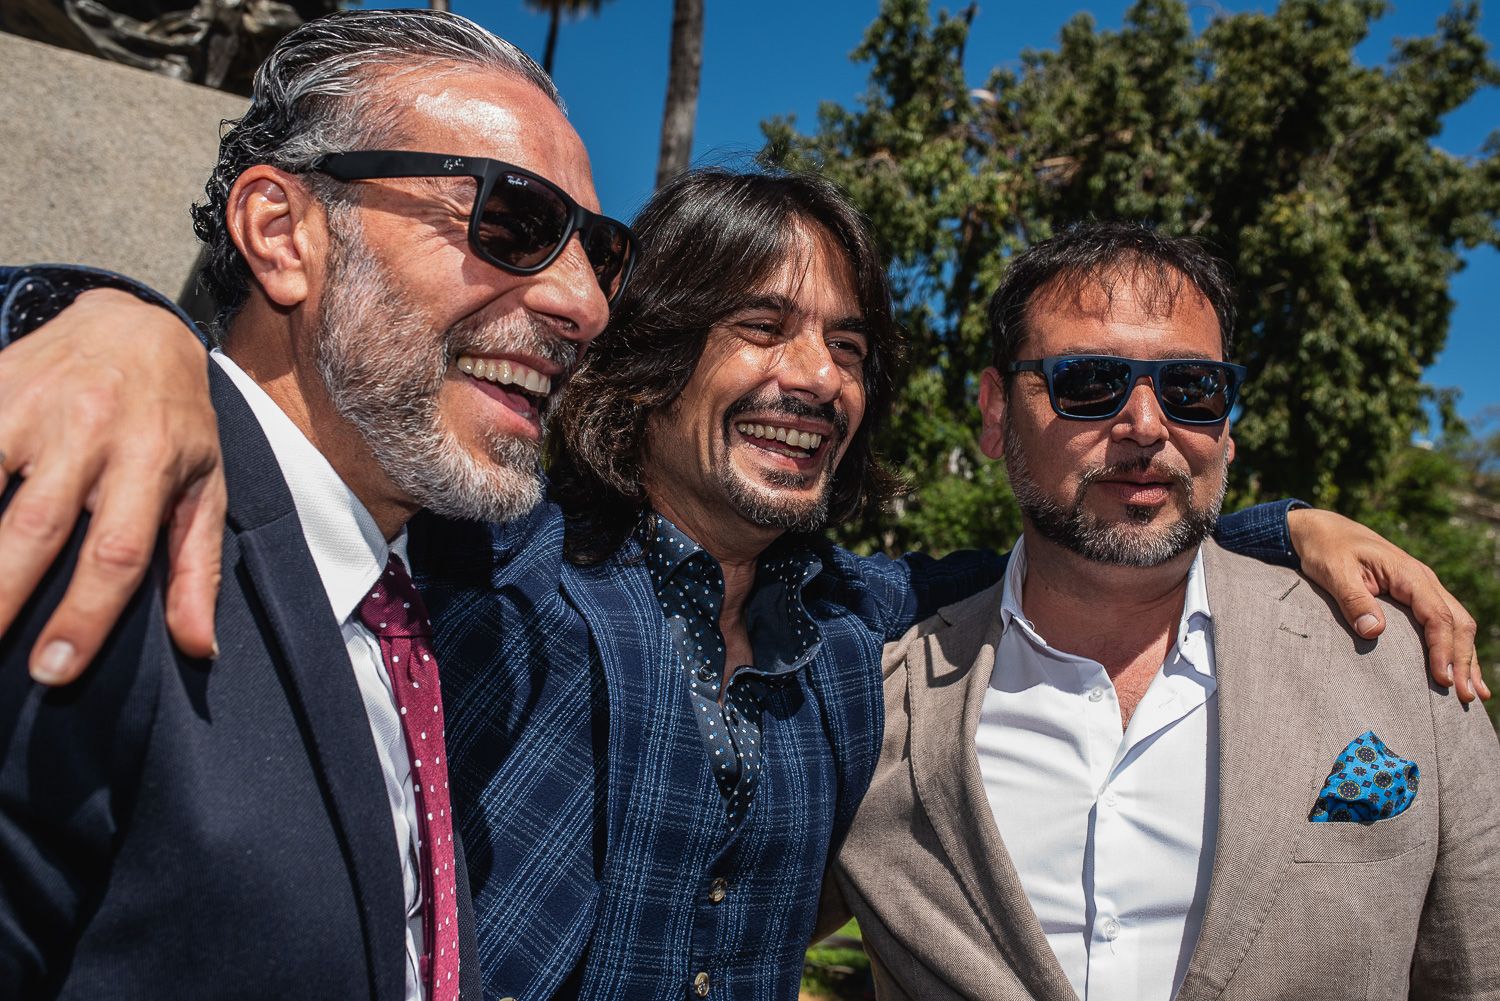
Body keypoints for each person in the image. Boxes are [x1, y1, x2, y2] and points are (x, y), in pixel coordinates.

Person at [0, 56, 1484, 1001]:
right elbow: (324, 436)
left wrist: (1278, 526)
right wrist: (103, 318)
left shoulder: (853, 625)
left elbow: (1076, 543)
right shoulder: (493, 566)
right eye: (761, 327)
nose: (814, 379)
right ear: (649, 361)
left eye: (847, 344)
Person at [0, 9, 626, 999]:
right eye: (513, 220)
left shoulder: (449, 599)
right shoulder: (96, 526)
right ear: (282, 232)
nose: (585, 302)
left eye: (600, 250)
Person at [823, 223, 1500, 1000]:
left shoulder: (1403, 663)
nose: (1147, 425)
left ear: (1227, 426)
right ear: (995, 412)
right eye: (1088, 381)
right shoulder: (878, 702)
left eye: (1191, 389)